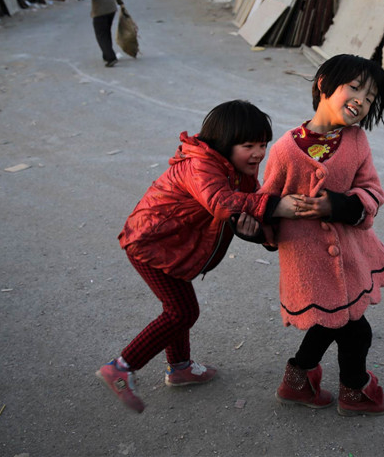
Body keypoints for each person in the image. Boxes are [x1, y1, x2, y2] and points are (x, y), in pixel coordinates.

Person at [96, 100, 301, 413]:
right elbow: (222, 203)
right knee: (181, 312)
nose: (259, 153)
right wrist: (278, 206)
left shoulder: (241, 173)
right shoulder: (199, 165)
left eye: (263, 144)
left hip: (175, 246)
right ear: (224, 144)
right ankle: (121, 368)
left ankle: (179, 368)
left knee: (179, 308)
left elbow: (252, 207)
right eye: (249, 145)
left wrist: (263, 235)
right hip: (150, 244)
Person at [257, 54, 384, 416]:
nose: (361, 101)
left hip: (350, 256)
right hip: (308, 262)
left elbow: (372, 191)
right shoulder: (286, 150)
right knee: (355, 331)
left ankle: (297, 379)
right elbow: (264, 203)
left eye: (369, 98)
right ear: (323, 84)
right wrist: (269, 216)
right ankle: (354, 390)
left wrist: (335, 206)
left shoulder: (357, 142)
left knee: (330, 323)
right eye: (354, 88)